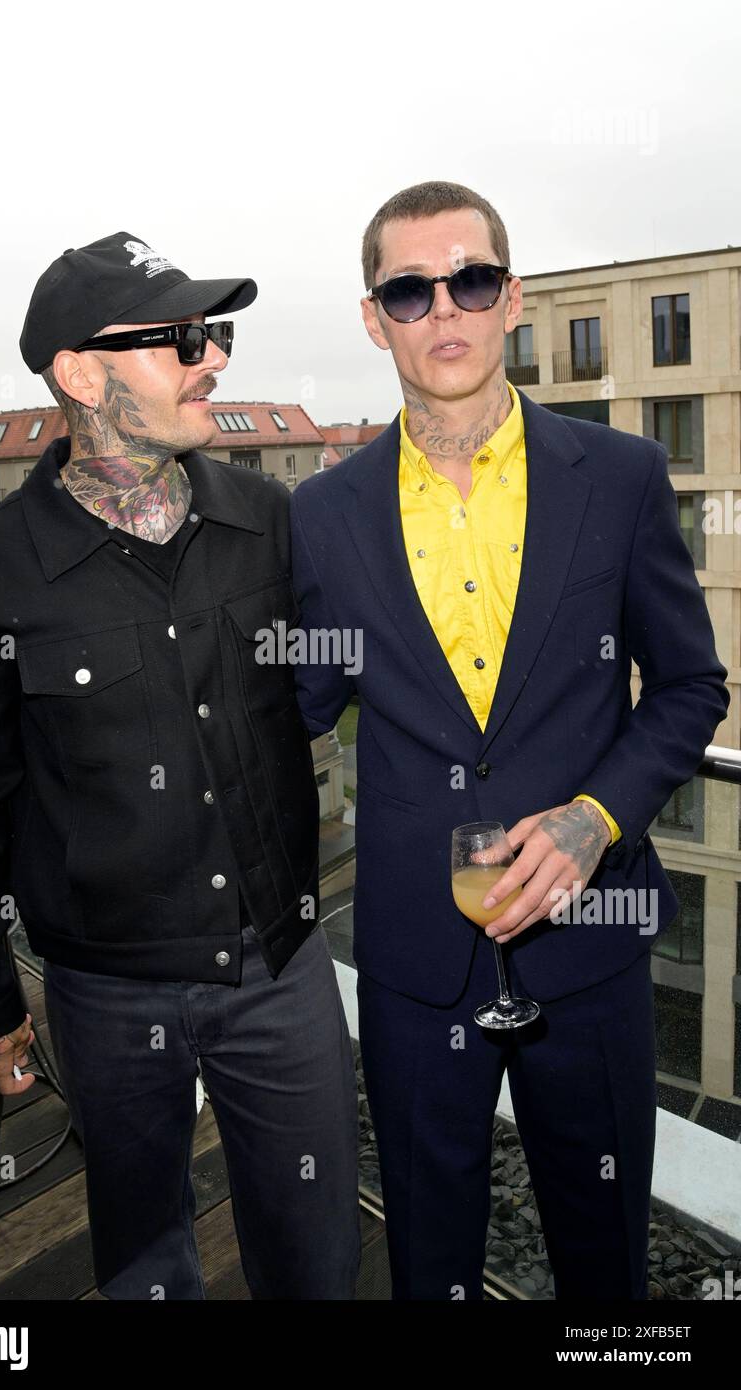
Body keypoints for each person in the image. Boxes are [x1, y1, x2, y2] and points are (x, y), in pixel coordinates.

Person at [289, 181, 730, 1300]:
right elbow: (289, 703)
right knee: (430, 1259)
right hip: (411, 962)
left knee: (603, 1262)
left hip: (589, 940)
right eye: (410, 288)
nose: (446, 310)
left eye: (471, 280)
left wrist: (594, 819)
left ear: (513, 298)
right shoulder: (322, 514)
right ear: (373, 315)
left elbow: (689, 686)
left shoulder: (619, 478)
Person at [0, 231, 360, 1301]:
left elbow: (331, 684)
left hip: (283, 970)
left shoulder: (271, 522)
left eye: (216, 334)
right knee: (146, 1256)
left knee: (316, 1252)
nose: (212, 358)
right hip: (107, 993)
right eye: (181, 340)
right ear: (80, 374)